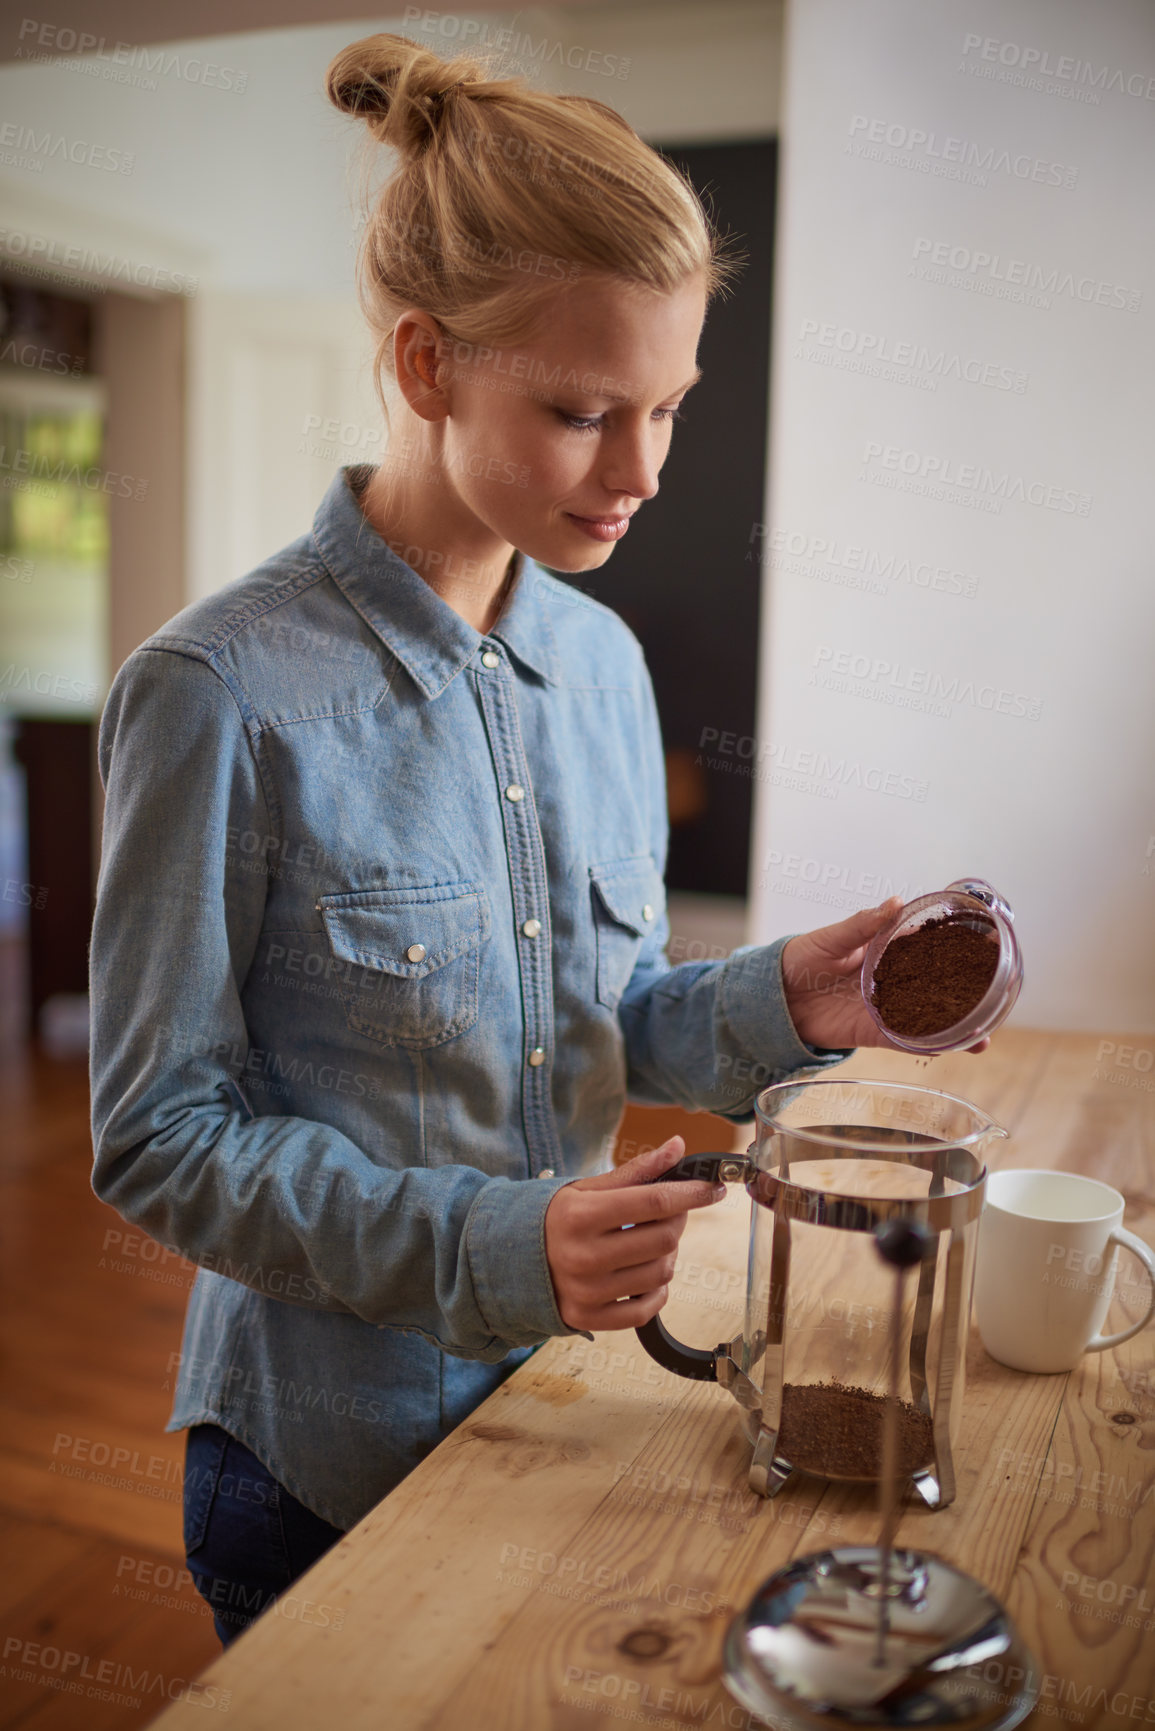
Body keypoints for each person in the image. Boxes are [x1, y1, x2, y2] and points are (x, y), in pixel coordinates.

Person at [90, 33, 916, 1647]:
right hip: (316, 1471)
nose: (645, 474)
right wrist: (498, 1239)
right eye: (585, 412)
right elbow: (160, 1138)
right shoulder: (217, 693)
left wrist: (787, 1007)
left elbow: (599, 1017)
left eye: (669, 408)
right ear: (421, 367)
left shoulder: (600, 662)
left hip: (553, 1411)